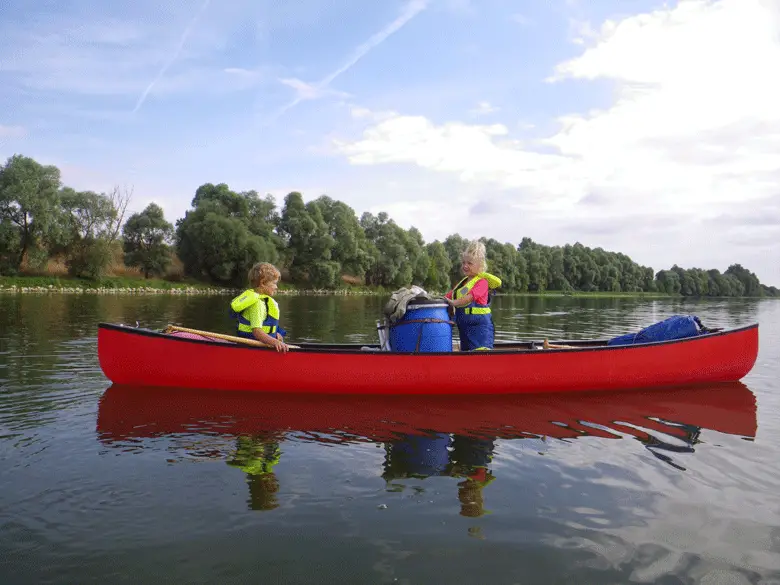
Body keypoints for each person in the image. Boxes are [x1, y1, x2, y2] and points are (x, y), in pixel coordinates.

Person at [444, 240, 502, 351]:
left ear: (480, 265)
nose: (465, 266)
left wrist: (454, 303)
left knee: (480, 354)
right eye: (463, 262)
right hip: (465, 328)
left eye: (469, 263)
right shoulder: (463, 284)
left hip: (480, 329)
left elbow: (469, 297)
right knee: (466, 354)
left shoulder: (482, 282)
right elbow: (448, 296)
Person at [229, 262, 289, 353]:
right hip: (250, 348)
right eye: (274, 283)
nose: (276, 287)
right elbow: (257, 332)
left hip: (259, 345)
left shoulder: (263, 302)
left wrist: (275, 334)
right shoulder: (257, 304)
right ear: (263, 283)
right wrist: (275, 342)